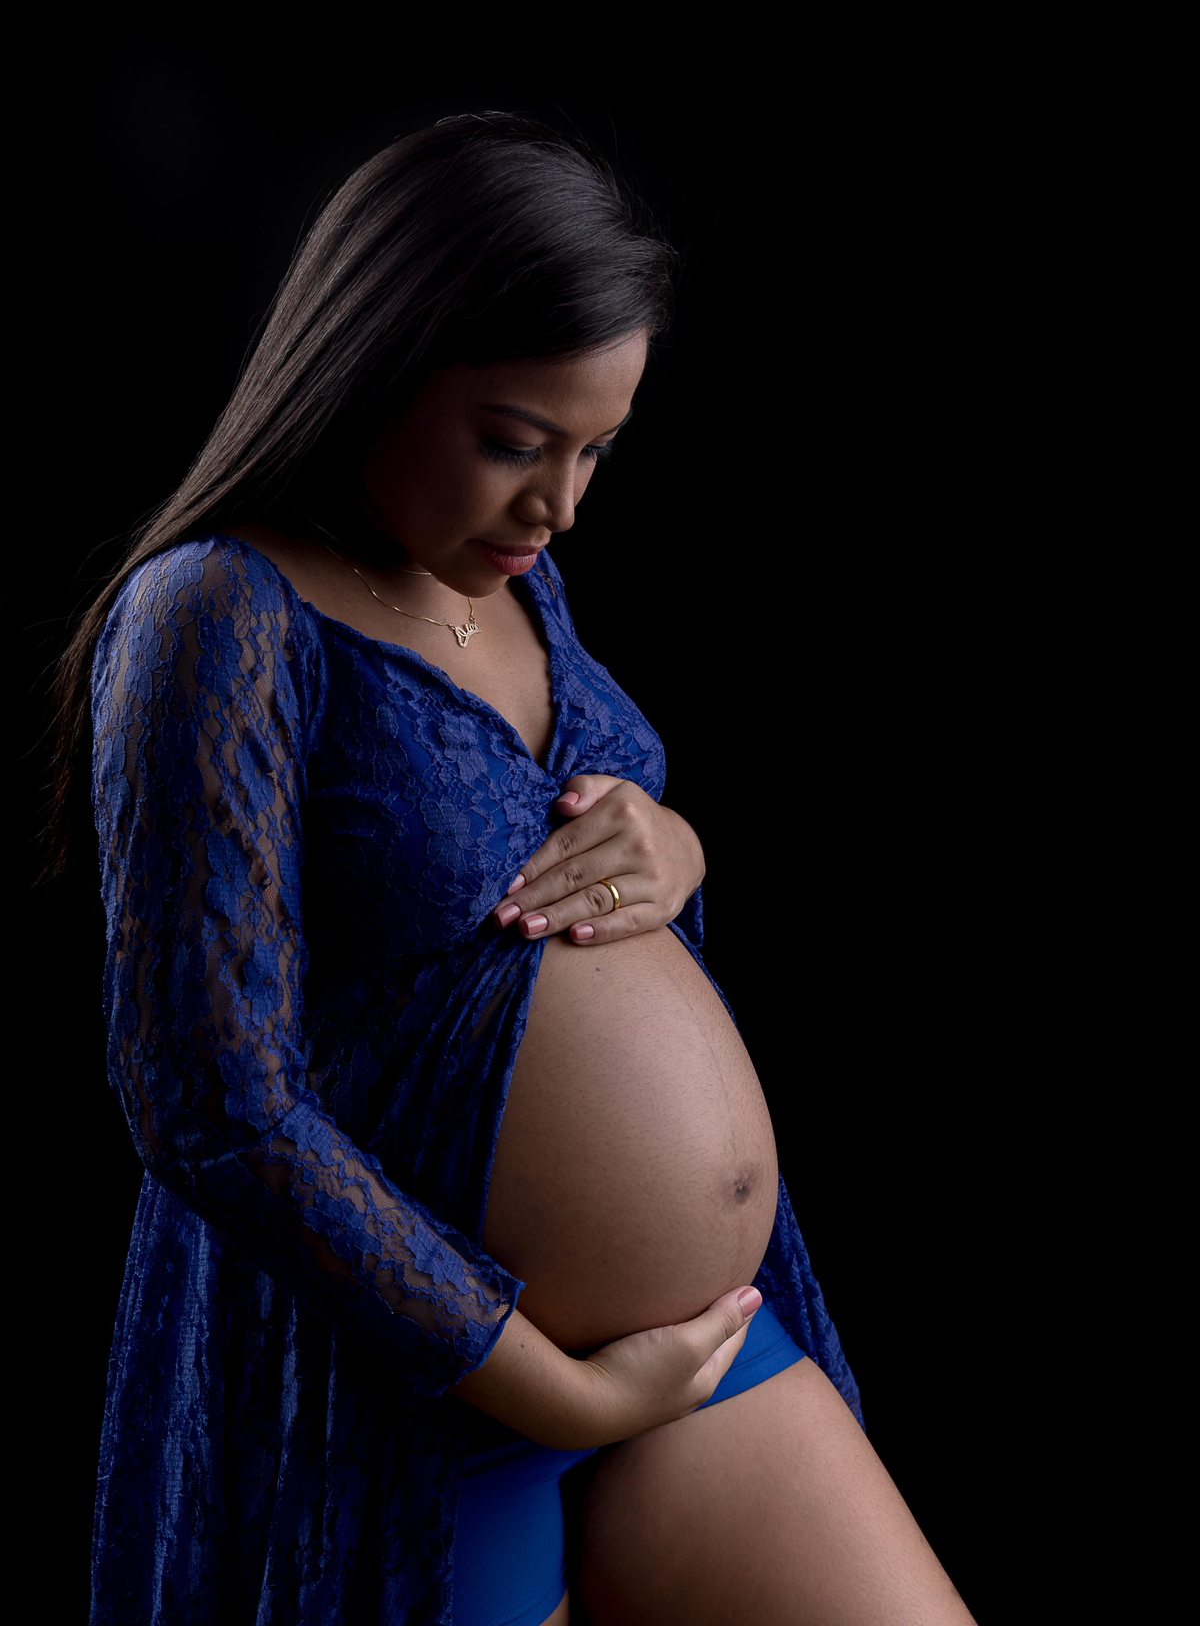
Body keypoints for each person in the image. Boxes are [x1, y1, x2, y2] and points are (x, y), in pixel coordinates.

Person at [53, 113, 974, 1624]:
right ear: (371, 358)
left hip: (701, 1350)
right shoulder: (214, 615)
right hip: (413, 1411)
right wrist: (553, 1391)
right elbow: (209, 1104)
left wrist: (678, 843)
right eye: (514, 442)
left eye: (597, 448)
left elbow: (573, 827)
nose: (558, 507)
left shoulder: (515, 579)